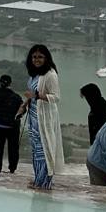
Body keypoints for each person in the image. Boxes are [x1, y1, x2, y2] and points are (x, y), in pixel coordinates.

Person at [23, 44, 63, 191]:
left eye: (40, 57)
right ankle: (38, 180)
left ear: (46, 58)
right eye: (34, 57)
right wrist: (25, 104)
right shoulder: (35, 74)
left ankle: (45, 183)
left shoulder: (50, 75)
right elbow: (31, 94)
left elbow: (56, 97)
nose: (37, 60)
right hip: (34, 117)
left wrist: (37, 96)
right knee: (36, 150)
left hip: (45, 118)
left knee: (44, 150)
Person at [0, 74, 24, 174]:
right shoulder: (16, 97)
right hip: (12, 127)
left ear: (0, 82)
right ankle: (12, 169)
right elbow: (22, 109)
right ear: (10, 83)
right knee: (13, 148)